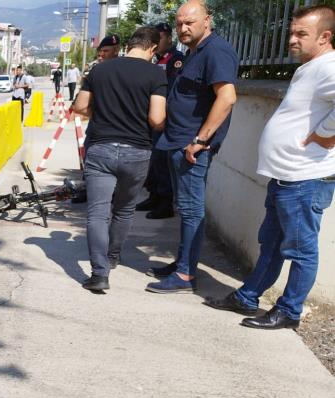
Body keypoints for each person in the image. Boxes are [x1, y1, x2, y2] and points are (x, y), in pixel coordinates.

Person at [204, 5, 335, 330]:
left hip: (305, 178)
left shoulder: (329, 67)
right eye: (291, 32)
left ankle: (289, 311)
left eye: (301, 34)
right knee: (273, 243)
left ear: (325, 37)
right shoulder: (311, 67)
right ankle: (247, 297)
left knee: (301, 249)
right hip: (287, 177)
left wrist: (325, 134)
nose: (292, 39)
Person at [146, 0, 238, 294]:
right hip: (177, 142)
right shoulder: (193, 52)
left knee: (191, 210)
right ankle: (183, 263)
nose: (183, 28)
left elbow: (227, 97)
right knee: (184, 208)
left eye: (190, 23)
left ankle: (185, 275)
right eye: (179, 23)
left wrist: (200, 140)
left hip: (191, 147)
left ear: (207, 21)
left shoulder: (216, 51)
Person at [72, 27, 167, 292]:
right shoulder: (155, 73)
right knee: (124, 209)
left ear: (129, 45)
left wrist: (102, 113)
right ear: (151, 48)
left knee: (97, 213)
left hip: (101, 148)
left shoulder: (99, 70)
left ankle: (99, 273)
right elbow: (157, 118)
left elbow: (79, 106)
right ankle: (113, 257)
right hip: (136, 152)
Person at [138, 22, 187, 220]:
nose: (157, 43)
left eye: (161, 38)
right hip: (153, 118)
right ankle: (154, 196)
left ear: (169, 38)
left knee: (162, 161)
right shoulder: (158, 59)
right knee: (154, 161)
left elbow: (171, 90)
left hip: (166, 119)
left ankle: (165, 203)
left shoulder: (176, 60)